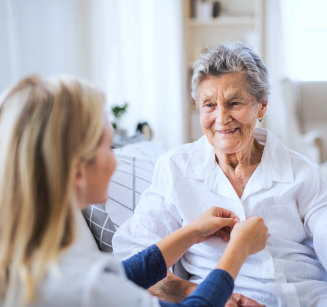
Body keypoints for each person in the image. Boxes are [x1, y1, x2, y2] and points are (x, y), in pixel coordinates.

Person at [0, 75, 268, 307]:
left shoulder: (34, 262)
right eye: (108, 147)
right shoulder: (86, 287)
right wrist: (238, 249)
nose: (116, 161)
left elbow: (121, 275)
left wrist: (191, 233)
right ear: (78, 170)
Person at [113, 41, 327, 307]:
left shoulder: (303, 172)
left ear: (261, 106)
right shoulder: (175, 168)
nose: (222, 117)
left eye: (234, 102)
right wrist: (191, 291)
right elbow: (133, 258)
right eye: (209, 105)